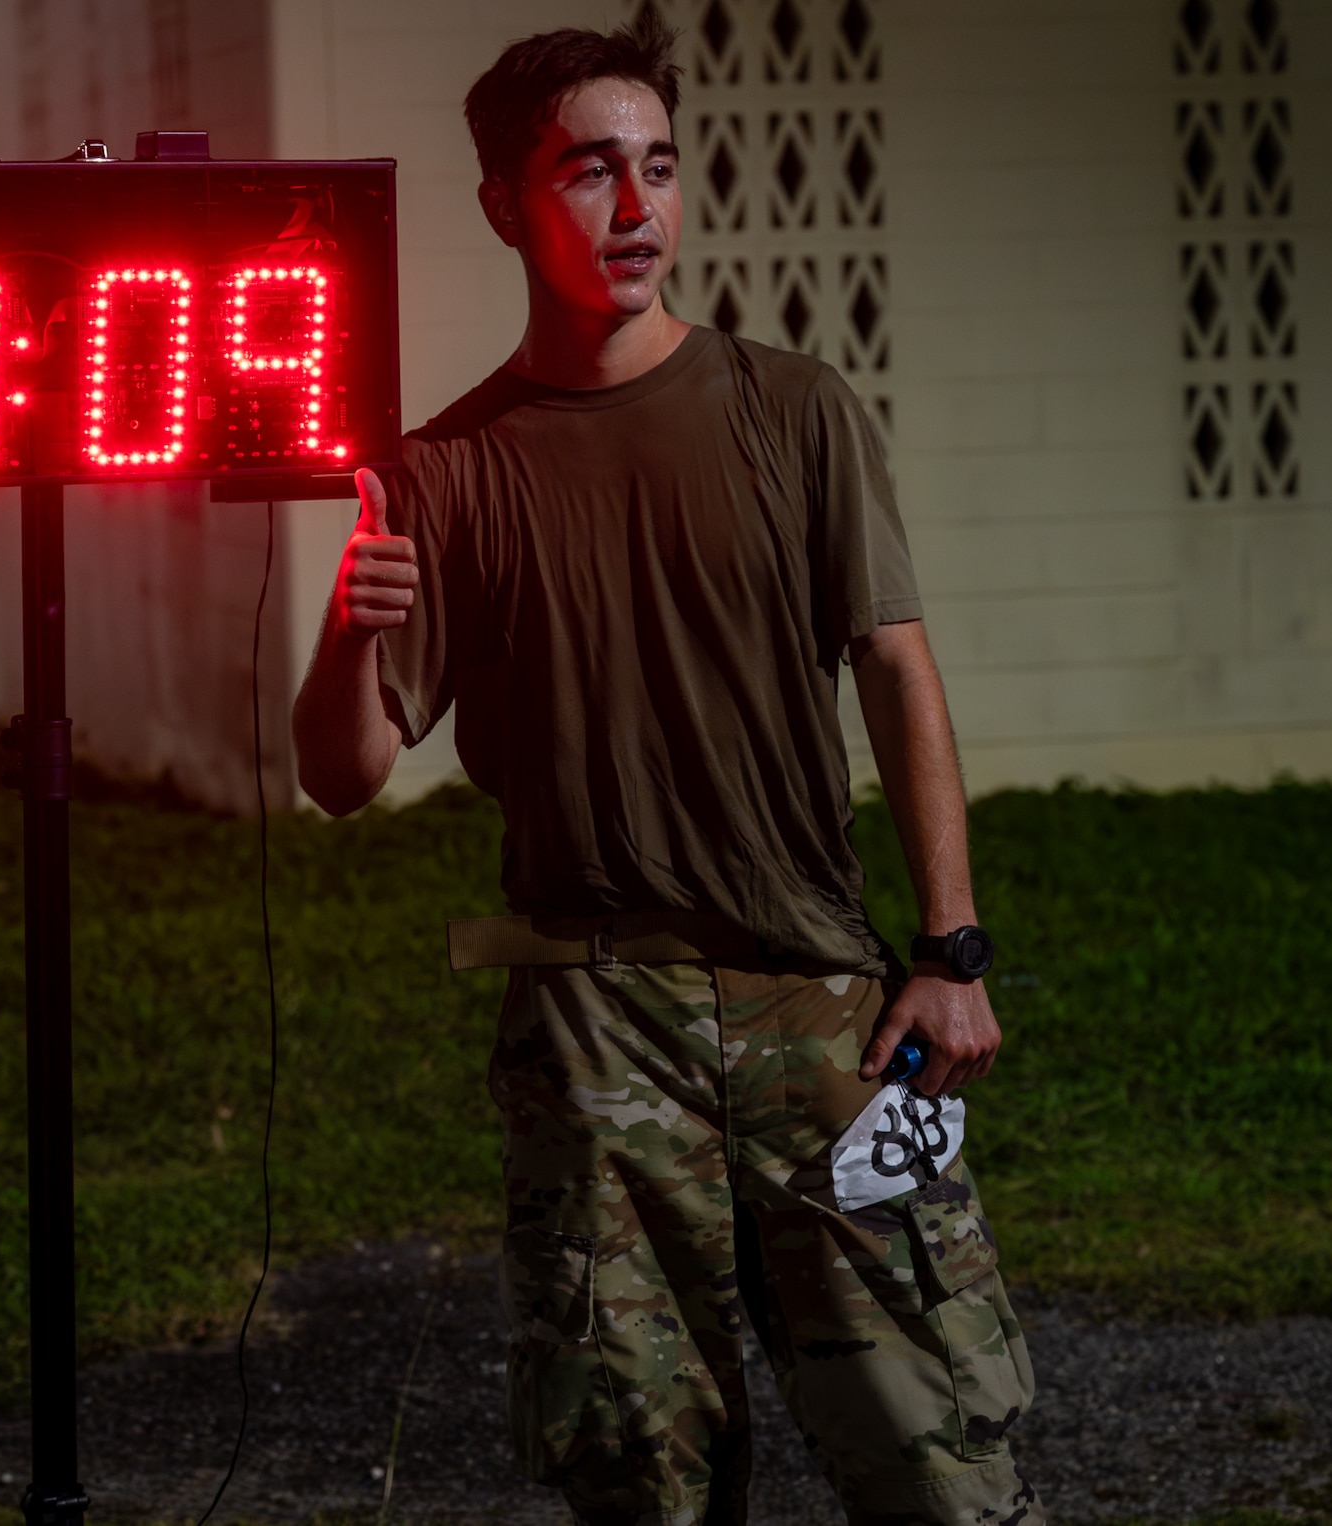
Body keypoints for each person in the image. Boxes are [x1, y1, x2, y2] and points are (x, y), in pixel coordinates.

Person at [291, 17, 1043, 1526]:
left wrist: (951, 951)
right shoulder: (445, 469)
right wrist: (346, 628)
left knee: (940, 1457)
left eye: (659, 166)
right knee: (642, 1476)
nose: (636, 208)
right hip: (592, 1026)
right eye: (589, 172)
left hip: (818, 1000)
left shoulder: (795, 410)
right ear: (505, 205)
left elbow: (898, 671)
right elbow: (345, 773)